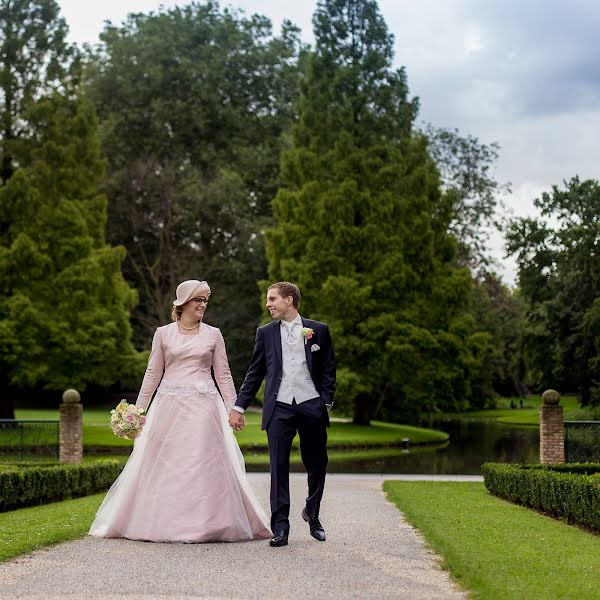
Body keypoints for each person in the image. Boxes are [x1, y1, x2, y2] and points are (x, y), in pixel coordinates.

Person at [89, 280, 271, 543]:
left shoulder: (213, 334)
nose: (203, 305)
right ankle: (160, 523)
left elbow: (223, 373)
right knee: (166, 462)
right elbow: (153, 373)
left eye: (205, 301)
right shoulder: (163, 334)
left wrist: (235, 408)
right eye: (198, 300)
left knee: (201, 460)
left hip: (204, 407)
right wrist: (138, 411)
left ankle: (210, 524)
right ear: (183, 302)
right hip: (168, 406)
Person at [229, 282, 336, 547]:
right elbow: (255, 372)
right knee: (278, 467)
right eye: (268, 300)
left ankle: (313, 513)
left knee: (317, 463)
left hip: (311, 404)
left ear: (290, 300)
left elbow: (328, 368)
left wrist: (326, 400)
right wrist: (239, 406)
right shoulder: (264, 333)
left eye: (273, 299)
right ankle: (280, 527)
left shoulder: (318, 331)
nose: (268, 304)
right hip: (279, 406)